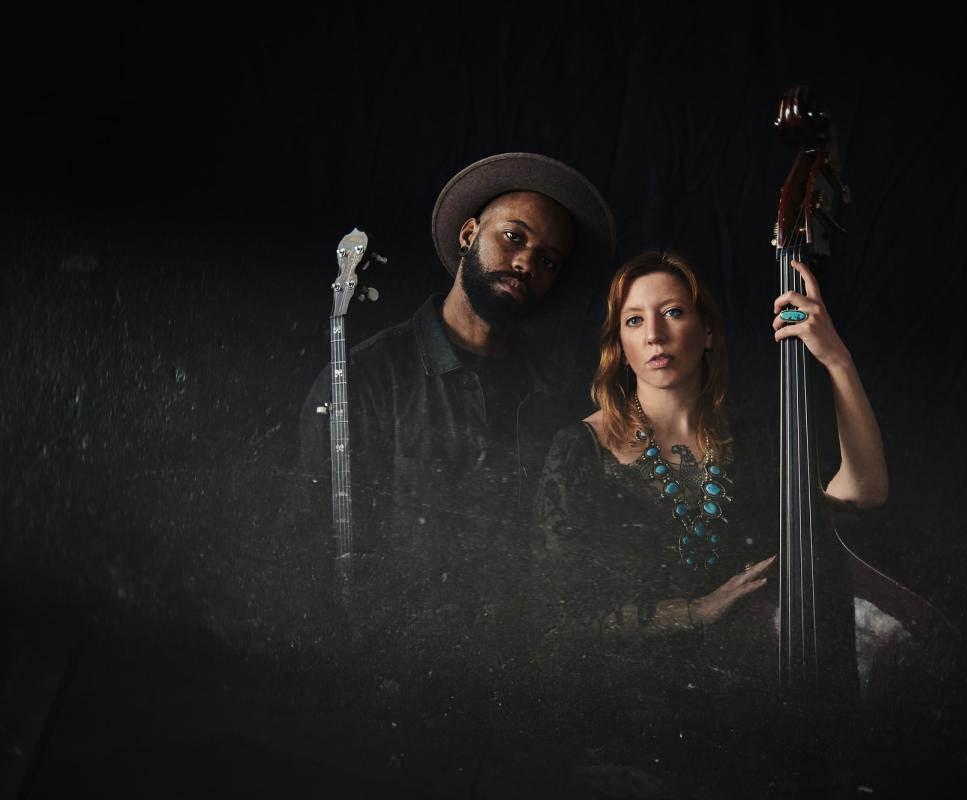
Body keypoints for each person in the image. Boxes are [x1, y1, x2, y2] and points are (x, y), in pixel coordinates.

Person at [268, 153, 615, 793]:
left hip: (517, 718)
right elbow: (306, 551)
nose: (526, 264)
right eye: (516, 237)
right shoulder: (370, 378)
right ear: (468, 234)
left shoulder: (555, 394)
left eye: (548, 261)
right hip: (390, 724)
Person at [531, 249, 888, 798]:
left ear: (707, 334)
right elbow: (561, 620)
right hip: (635, 729)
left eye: (673, 312)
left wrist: (835, 358)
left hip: (747, 714)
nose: (654, 334)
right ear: (621, 349)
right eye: (634, 320)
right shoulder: (579, 451)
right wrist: (697, 611)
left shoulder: (752, 440)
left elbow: (863, 492)